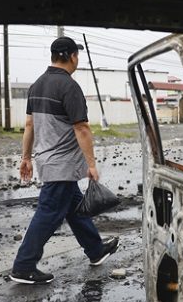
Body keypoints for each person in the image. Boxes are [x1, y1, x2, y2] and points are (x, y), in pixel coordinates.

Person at [10, 36, 119, 284]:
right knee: (48, 213)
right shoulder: (69, 87)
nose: (77, 59)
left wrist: (26, 157)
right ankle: (23, 266)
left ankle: (95, 250)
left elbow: (29, 124)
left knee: (75, 207)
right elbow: (81, 128)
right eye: (76, 55)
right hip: (62, 165)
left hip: (48, 161)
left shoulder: (36, 85)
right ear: (71, 56)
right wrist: (91, 164)